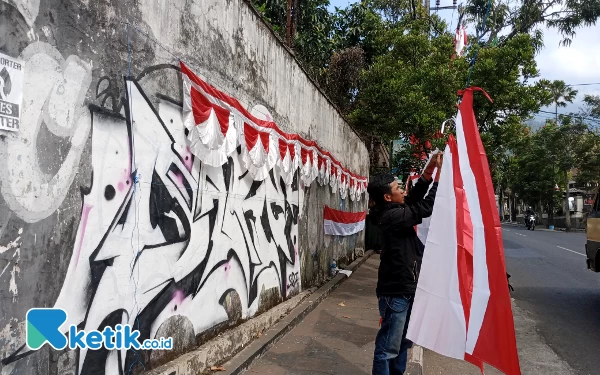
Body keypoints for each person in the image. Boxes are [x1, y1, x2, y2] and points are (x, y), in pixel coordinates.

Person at [367, 153, 442, 375]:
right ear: (387, 197)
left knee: (403, 344)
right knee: (388, 347)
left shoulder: (394, 209)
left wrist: (429, 172)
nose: (402, 190)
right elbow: (424, 208)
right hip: (396, 292)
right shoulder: (391, 217)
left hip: (407, 288)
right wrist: (439, 181)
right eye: (398, 188)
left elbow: (415, 197)